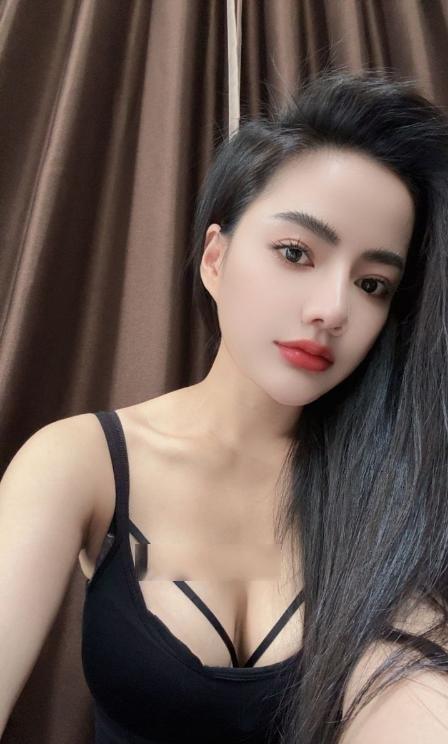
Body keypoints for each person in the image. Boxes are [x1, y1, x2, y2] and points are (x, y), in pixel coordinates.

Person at [1, 68, 448, 744]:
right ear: (216, 258)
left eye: (373, 284)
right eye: (296, 252)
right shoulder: (81, 463)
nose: (332, 309)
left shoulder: (392, 490)